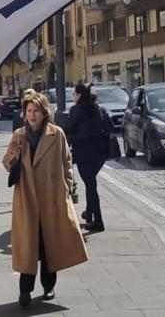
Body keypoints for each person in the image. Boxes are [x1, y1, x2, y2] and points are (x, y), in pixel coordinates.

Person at [3, 91, 87, 308]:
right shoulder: (19, 135)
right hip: (28, 198)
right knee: (29, 246)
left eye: (36, 111)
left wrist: (68, 185)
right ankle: (25, 291)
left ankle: (48, 286)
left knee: (50, 243)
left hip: (51, 197)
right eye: (29, 111)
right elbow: (6, 162)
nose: (32, 115)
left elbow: (66, 161)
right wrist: (15, 156)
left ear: (43, 113)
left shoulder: (56, 133)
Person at [67, 83, 112, 233]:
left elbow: (69, 129)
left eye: (74, 93)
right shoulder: (100, 109)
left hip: (83, 154)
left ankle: (98, 221)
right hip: (100, 154)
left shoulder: (76, 110)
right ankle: (89, 214)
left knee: (91, 185)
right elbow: (110, 127)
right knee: (90, 183)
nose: (73, 96)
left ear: (79, 95)